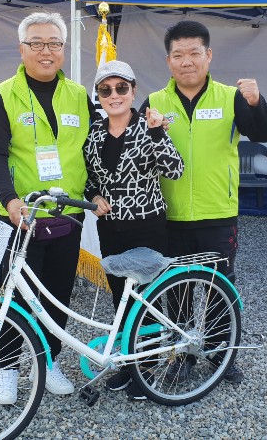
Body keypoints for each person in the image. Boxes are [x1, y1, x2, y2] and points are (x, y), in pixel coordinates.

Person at [139, 20, 267, 384]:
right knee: (177, 290)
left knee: (221, 288)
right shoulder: (155, 102)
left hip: (217, 213)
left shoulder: (231, 97)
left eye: (194, 53)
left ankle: (222, 354)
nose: (186, 61)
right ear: (168, 61)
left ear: (209, 55)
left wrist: (257, 102)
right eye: (178, 55)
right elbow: (137, 154)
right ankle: (182, 354)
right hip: (170, 215)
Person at [0, 11, 100, 405]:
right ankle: (7, 367)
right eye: (37, 43)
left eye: (54, 43)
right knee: (15, 295)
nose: (45, 51)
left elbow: (92, 150)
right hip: (24, 216)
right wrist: (10, 199)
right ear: (22, 48)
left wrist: (96, 193)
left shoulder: (79, 95)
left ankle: (48, 362)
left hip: (67, 215)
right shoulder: (2, 94)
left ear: (64, 49)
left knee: (57, 294)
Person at [83, 60, 184, 400]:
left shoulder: (149, 126)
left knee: (147, 299)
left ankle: (149, 367)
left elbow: (175, 170)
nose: (114, 95)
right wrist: (94, 196)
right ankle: (130, 363)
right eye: (105, 89)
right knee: (121, 297)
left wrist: (157, 133)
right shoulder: (94, 134)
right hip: (111, 229)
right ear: (99, 96)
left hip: (147, 227)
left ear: (133, 91)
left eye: (121, 88)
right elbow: (90, 179)